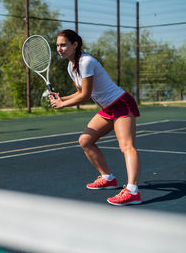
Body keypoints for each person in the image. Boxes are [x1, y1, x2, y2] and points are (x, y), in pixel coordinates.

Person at [49, 29, 142, 206]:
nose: (59, 49)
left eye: (63, 45)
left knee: (127, 146)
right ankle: (108, 178)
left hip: (121, 104)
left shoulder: (86, 62)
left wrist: (62, 104)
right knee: (85, 140)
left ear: (75, 45)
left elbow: (85, 96)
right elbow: (79, 92)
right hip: (107, 108)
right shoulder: (71, 66)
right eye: (57, 46)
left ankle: (132, 191)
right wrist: (63, 98)